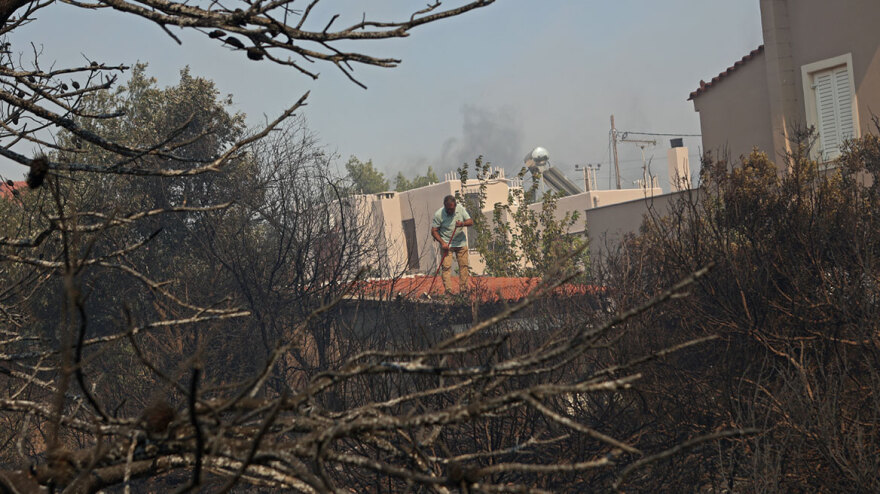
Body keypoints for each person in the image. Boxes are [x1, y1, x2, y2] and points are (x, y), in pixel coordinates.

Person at [431, 195, 473, 294]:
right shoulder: (438, 214)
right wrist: (442, 243)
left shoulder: (461, 209)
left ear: (455, 206)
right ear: (444, 206)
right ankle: (448, 291)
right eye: (448, 209)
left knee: (464, 266)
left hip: (461, 243)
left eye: (452, 209)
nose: (450, 211)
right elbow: (434, 231)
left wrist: (462, 224)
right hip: (447, 244)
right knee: (446, 267)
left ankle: (463, 290)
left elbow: (470, 221)